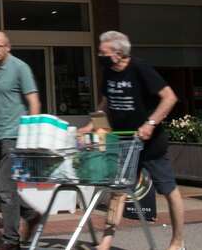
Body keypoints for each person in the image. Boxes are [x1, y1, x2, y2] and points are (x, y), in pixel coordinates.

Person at [78, 31, 185, 250]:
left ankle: (177, 241)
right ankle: (106, 242)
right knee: (118, 190)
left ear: (118, 53)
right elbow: (106, 103)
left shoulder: (140, 69)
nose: (100, 55)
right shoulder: (108, 72)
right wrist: (90, 125)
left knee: (168, 190)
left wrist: (150, 123)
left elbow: (169, 97)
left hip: (150, 143)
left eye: (103, 52)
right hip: (125, 142)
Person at [0, 31, 42, 250]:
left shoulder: (20, 68)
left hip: (14, 135)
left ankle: (11, 241)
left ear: (8, 47)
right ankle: (30, 213)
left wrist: (31, 136)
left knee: (6, 191)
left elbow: (34, 101)